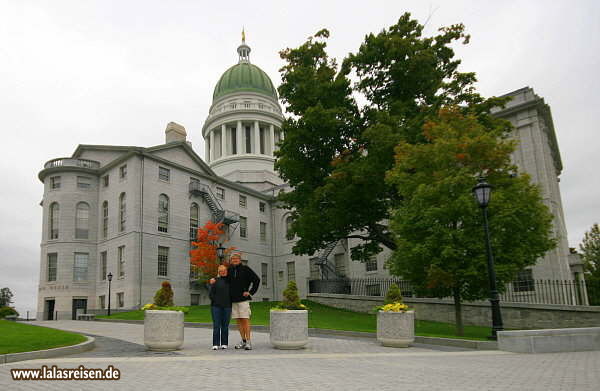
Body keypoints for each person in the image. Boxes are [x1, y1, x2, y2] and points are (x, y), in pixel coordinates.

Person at [211, 252, 260, 350]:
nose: (234, 260)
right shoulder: (230, 270)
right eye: (233, 259)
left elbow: (257, 280)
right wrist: (214, 280)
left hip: (243, 300)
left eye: (236, 258)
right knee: (238, 321)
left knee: (245, 319)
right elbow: (222, 276)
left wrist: (250, 292)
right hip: (232, 301)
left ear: (240, 260)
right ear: (231, 260)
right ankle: (243, 340)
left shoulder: (246, 269)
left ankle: (249, 342)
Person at [209, 265, 232, 350]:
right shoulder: (215, 281)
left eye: (225, 270)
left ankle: (224, 343)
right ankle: (215, 344)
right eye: (221, 270)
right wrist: (216, 301)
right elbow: (211, 294)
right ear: (219, 272)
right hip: (216, 307)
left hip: (227, 306)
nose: (223, 272)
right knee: (216, 325)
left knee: (225, 325)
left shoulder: (230, 281)